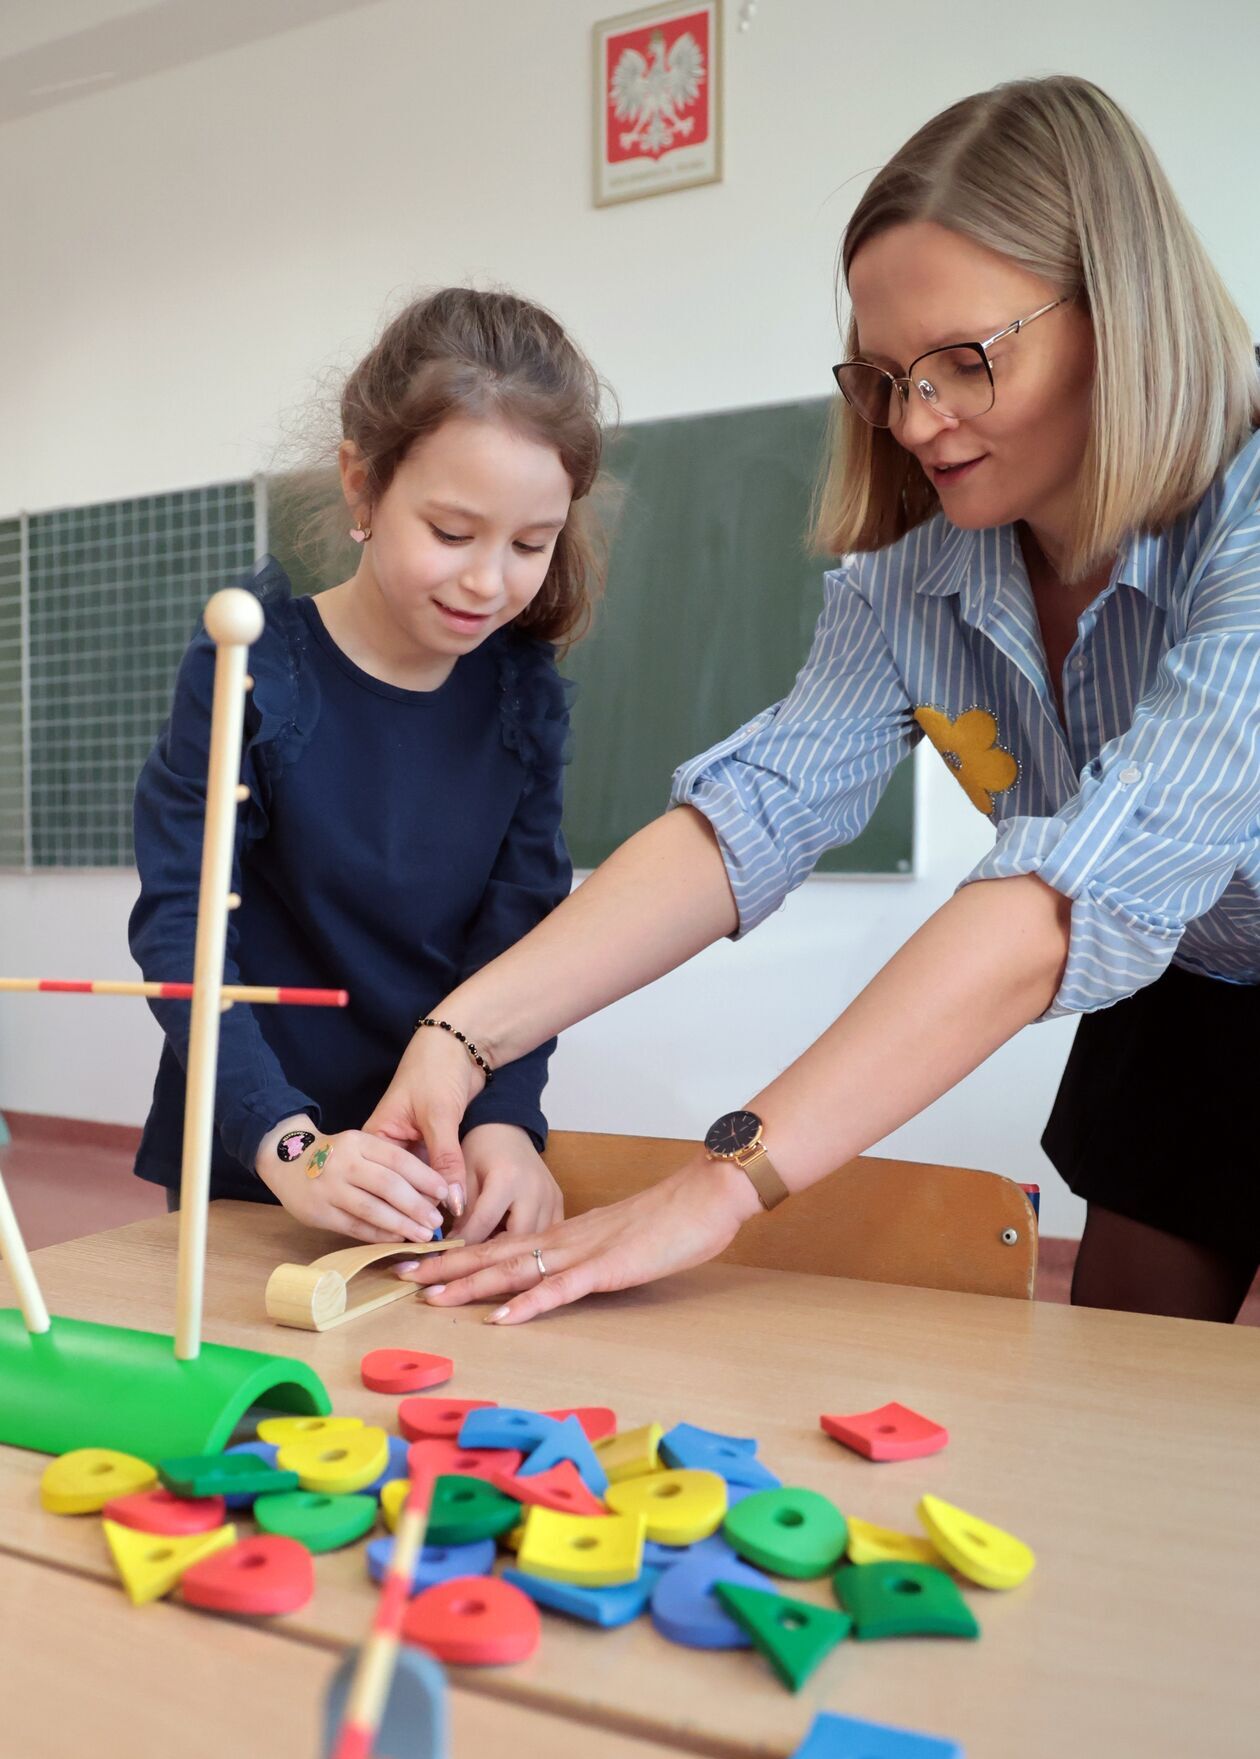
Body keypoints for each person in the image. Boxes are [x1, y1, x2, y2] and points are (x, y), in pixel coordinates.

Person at [365, 76, 1260, 1324]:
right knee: (1129, 1379)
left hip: (1154, 931)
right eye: (886, 377)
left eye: (964, 362)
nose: (918, 422)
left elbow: (1072, 891)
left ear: (1121, 314)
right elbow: (754, 816)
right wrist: (461, 1035)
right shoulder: (915, 581)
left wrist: (721, 1184)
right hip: (1193, 988)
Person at [130, 287, 608, 1249]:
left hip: (437, 1163)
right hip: (259, 1159)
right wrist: (290, 1146)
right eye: (452, 533)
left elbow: (520, 936)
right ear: (362, 486)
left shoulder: (522, 697)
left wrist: (504, 1122)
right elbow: (183, 926)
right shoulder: (252, 666)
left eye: (531, 543)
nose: (489, 581)